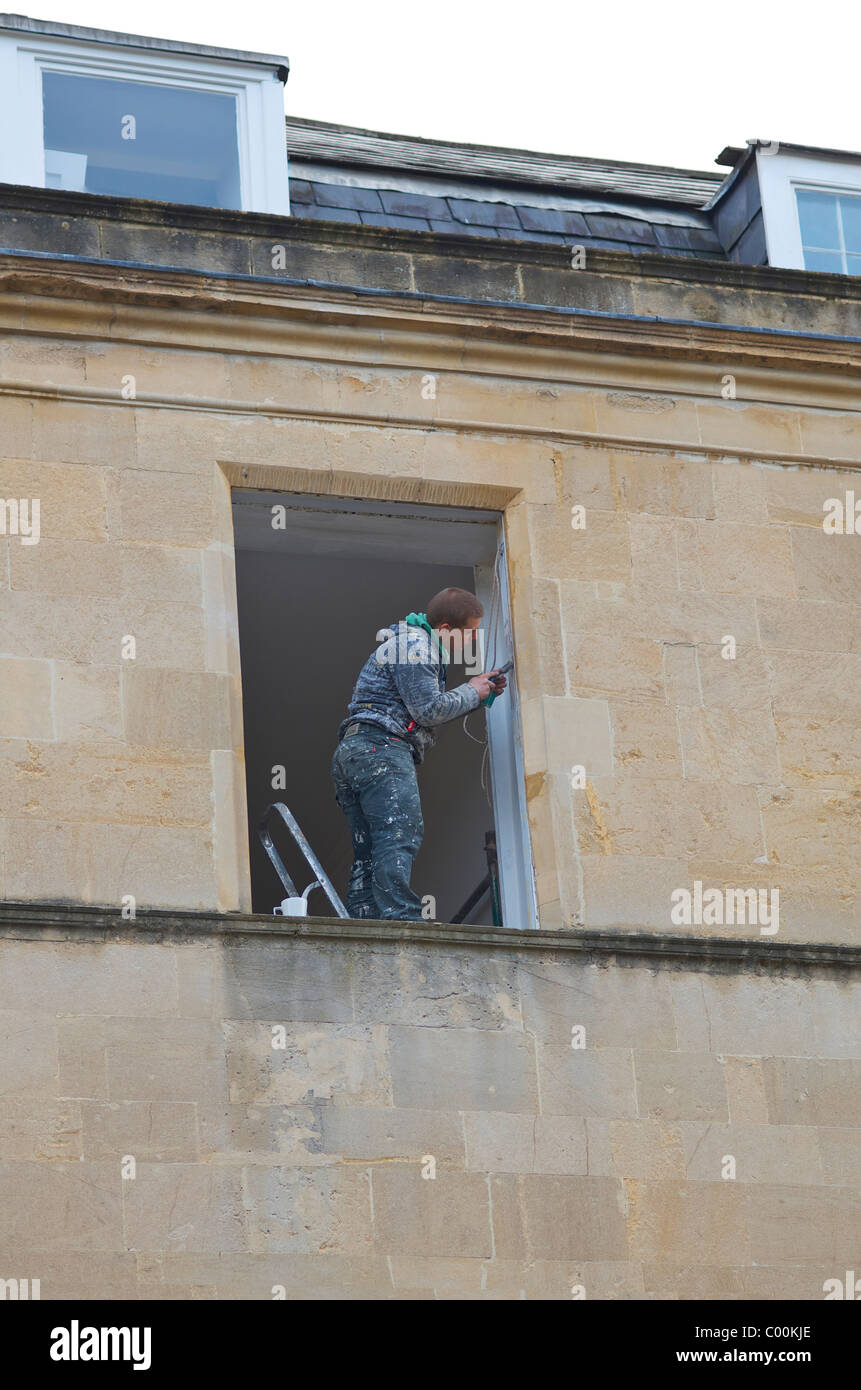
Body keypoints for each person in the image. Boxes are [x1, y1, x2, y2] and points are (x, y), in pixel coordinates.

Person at [331, 587, 507, 921]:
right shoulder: (416, 646)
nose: (471, 642)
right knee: (399, 831)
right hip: (381, 749)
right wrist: (473, 690)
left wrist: (477, 692)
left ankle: (366, 919)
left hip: (358, 751)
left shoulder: (407, 643)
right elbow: (428, 710)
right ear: (444, 629)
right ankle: (402, 919)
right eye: (469, 633)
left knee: (368, 844)